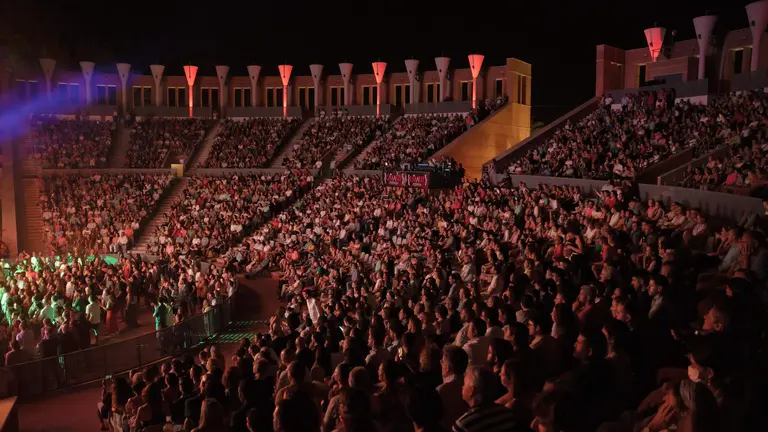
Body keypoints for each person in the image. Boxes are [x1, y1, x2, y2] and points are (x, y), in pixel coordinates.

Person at [453, 366, 519, 432]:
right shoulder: (507, 414)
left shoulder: (462, 425)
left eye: (464, 384)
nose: (462, 387)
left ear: (472, 391)